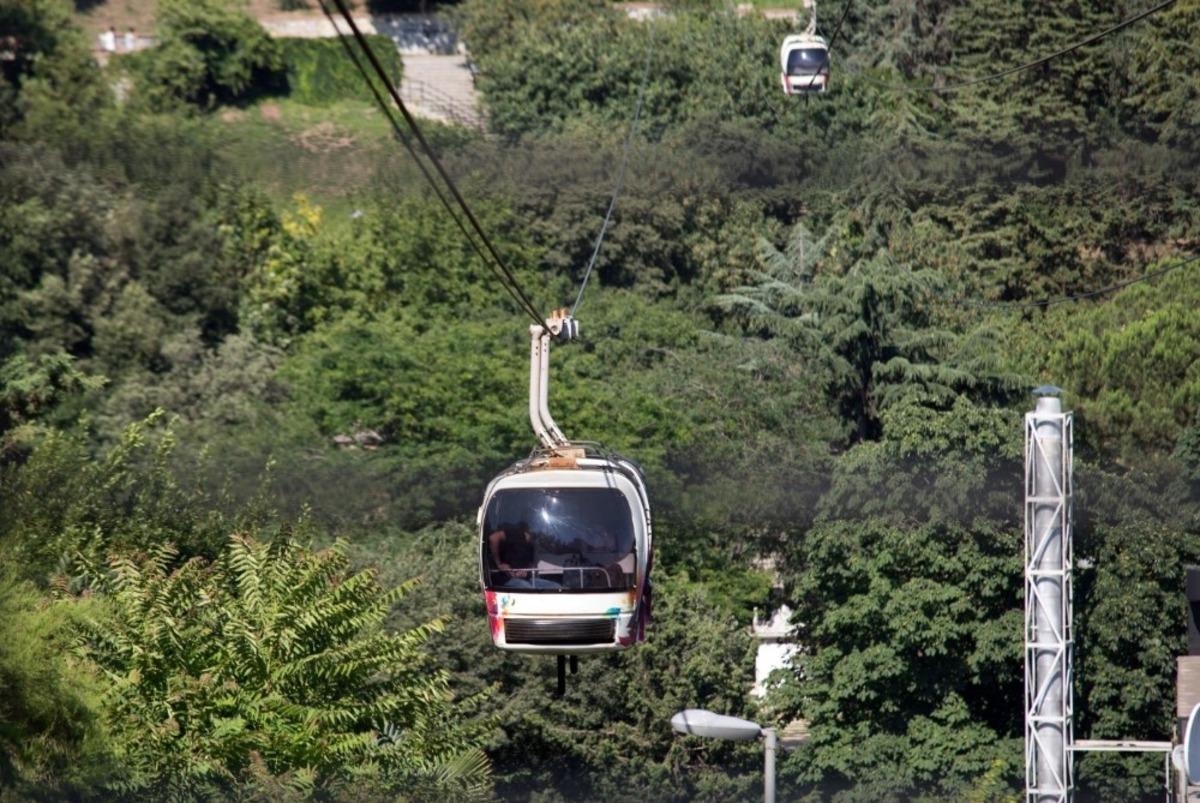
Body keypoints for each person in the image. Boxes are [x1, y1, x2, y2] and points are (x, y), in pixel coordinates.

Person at [488, 523, 556, 589]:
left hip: (526, 579)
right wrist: (499, 564)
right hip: (506, 578)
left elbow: (531, 566)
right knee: (530, 589)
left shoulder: (532, 545)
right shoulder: (514, 533)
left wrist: (525, 572)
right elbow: (493, 538)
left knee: (555, 586)